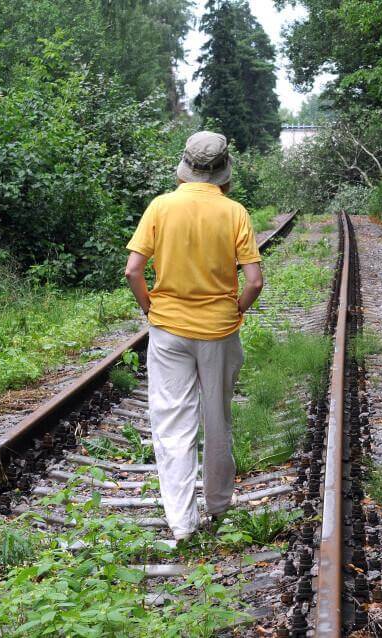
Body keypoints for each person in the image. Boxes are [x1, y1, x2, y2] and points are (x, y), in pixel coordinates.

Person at [124, 131, 265, 542]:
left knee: (172, 423)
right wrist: (236, 309)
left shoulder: (161, 206)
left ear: (186, 167)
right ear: (223, 170)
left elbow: (134, 270)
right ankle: (219, 504)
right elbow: (254, 280)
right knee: (217, 418)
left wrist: (151, 308)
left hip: (169, 329)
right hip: (219, 332)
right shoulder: (235, 212)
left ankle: (182, 525)